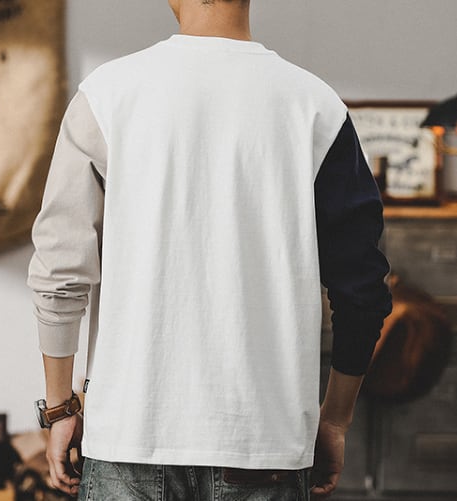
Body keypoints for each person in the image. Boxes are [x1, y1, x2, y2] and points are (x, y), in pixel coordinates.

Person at [26, 0, 392, 500]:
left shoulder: (105, 96)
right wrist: (334, 420)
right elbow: (363, 291)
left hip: (130, 437)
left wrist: (60, 408)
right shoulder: (317, 107)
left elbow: (59, 272)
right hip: (267, 442)